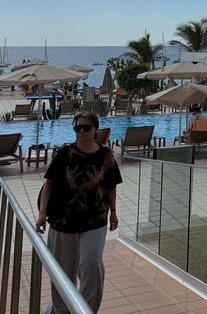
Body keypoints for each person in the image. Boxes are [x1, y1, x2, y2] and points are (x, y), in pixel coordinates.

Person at [36, 113, 122, 314]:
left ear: (95, 130)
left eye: (86, 127)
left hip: (95, 221)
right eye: (77, 128)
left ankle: (86, 309)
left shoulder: (106, 155)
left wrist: (114, 212)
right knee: (63, 273)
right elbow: (49, 185)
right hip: (63, 221)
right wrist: (41, 214)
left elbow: (111, 186)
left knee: (92, 264)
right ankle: (61, 310)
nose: (81, 131)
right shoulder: (64, 153)